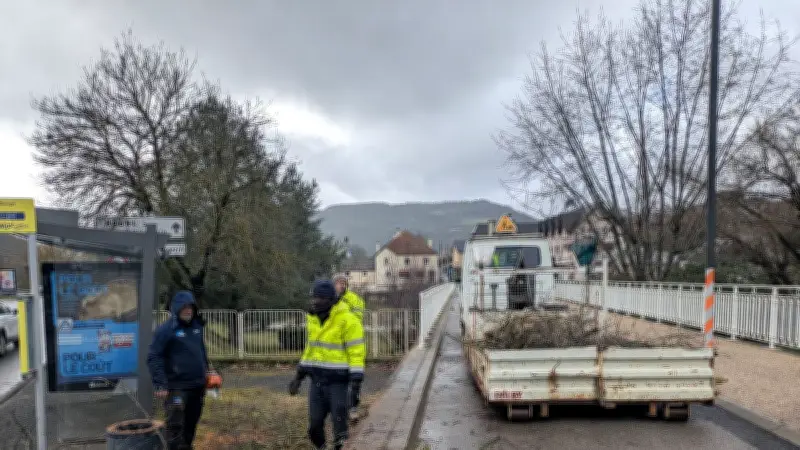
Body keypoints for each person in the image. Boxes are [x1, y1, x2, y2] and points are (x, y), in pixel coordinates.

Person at [288, 280, 365, 450]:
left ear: (331, 300)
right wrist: (298, 376)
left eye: (320, 299)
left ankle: (340, 444)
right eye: (314, 298)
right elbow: (311, 349)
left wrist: (356, 380)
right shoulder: (313, 319)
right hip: (317, 381)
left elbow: (356, 351)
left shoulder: (348, 320)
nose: (316, 302)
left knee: (339, 423)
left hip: (338, 381)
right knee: (314, 426)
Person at [147, 291, 210, 450]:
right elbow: (154, 356)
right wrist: (160, 384)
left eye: (191, 307)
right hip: (177, 388)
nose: (188, 311)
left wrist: (208, 371)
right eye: (184, 308)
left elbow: (201, 351)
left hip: (197, 385)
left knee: (191, 422)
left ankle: (187, 446)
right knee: (175, 424)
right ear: (176, 309)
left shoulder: (197, 327)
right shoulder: (166, 330)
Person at [332, 273, 366, 420]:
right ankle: (340, 408)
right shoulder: (329, 299)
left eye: (344, 282)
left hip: (352, 343)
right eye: (339, 282)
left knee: (355, 379)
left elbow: (357, 317)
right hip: (336, 346)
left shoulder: (354, 299)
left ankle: (353, 408)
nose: (342, 285)